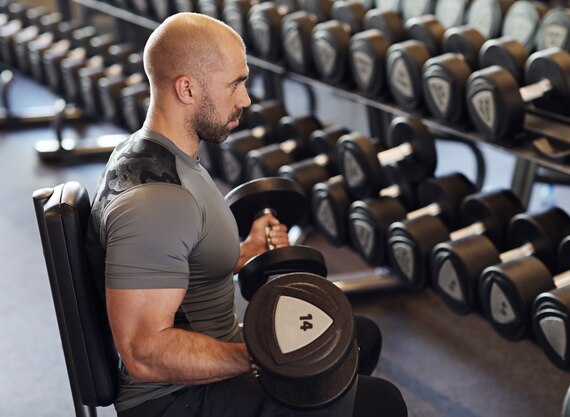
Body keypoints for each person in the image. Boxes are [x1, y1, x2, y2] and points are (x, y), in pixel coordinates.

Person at [86, 12, 407, 417]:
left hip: (204, 363)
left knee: (358, 337)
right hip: (177, 399)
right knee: (383, 404)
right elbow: (144, 354)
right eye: (235, 84)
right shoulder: (156, 202)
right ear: (187, 88)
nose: (246, 99)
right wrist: (262, 358)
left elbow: (175, 260)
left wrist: (247, 251)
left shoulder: (152, 151)